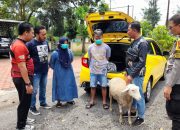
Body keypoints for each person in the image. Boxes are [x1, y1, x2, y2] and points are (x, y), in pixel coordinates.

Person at [10, 22, 35, 130]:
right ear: (26, 33)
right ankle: (21, 126)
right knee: (24, 103)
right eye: (32, 33)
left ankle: (24, 119)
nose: (33, 35)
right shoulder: (19, 46)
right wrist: (28, 83)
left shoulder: (18, 42)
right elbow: (22, 67)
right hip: (22, 78)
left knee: (24, 100)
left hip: (21, 77)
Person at [125, 21, 148, 126]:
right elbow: (130, 57)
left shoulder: (142, 43)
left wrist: (131, 75)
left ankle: (141, 117)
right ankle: (133, 111)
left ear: (134, 30)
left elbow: (142, 62)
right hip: (131, 72)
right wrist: (127, 71)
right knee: (132, 93)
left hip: (137, 74)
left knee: (139, 96)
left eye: (129, 29)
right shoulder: (134, 41)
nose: (127, 31)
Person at [26, 25, 51, 116]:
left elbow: (47, 53)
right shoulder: (30, 44)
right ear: (37, 34)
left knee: (43, 88)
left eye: (45, 34)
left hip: (44, 70)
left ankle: (43, 102)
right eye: (43, 34)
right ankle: (32, 107)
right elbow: (26, 58)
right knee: (34, 90)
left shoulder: (46, 42)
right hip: (35, 72)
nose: (45, 36)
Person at [86, 29, 111, 109]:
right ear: (93, 37)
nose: (97, 39)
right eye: (96, 38)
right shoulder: (90, 47)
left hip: (103, 70)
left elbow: (107, 58)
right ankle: (91, 101)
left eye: (99, 37)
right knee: (93, 86)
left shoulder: (107, 47)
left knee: (104, 86)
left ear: (102, 37)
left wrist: (102, 63)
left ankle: (104, 102)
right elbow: (90, 58)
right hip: (93, 70)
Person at [49, 37, 78, 107]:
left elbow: (71, 60)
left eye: (66, 43)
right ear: (60, 43)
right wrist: (57, 69)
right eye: (64, 43)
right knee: (59, 86)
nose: (66, 44)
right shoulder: (55, 53)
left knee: (68, 85)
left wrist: (66, 65)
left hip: (68, 72)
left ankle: (69, 99)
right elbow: (51, 63)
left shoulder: (69, 51)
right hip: (59, 73)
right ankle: (58, 101)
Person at [163, 14, 180, 130]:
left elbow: (177, 65)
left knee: (177, 116)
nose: (170, 30)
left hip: (177, 85)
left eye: (171, 27)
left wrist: (169, 85)